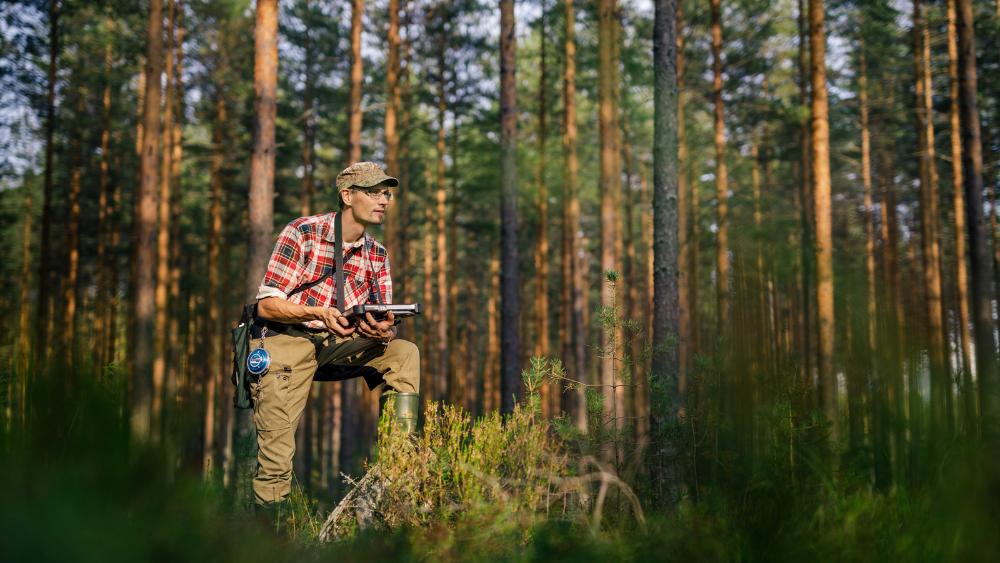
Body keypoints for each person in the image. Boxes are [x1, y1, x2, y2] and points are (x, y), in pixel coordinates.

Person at [249, 161, 420, 513]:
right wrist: (318, 313)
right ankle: (269, 532)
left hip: (336, 342)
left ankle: (397, 472)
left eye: (386, 193)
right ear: (346, 195)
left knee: (403, 352)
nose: (384, 200)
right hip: (286, 339)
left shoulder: (378, 254)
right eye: (373, 192)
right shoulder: (303, 232)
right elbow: (266, 306)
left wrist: (379, 329)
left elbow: (379, 317)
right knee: (276, 455)